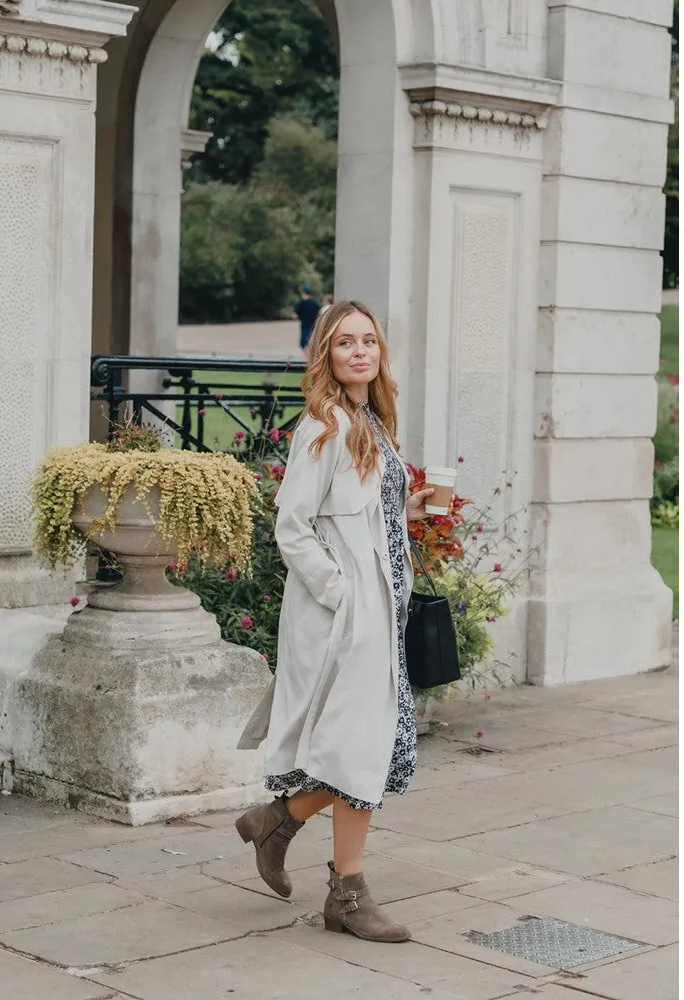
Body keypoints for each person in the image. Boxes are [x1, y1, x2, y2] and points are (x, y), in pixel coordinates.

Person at [235, 299, 435, 943]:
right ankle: (345, 892)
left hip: (381, 612)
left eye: (369, 342)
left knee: (365, 750)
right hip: (346, 618)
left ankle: (279, 823)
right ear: (326, 354)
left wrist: (411, 509)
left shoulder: (369, 423)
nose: (359, 351)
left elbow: (358, 517)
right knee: (361, 752)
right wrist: (341, 592)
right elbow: (292, 526)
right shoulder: (321, 427)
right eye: (345, 342)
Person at [294, 285, 321, 357]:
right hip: (313, 326)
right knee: (311, 343)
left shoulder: (300, 304)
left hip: (304, 326)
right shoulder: (314, 303)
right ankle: (310, 358)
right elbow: (318, 315)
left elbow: (296, 315)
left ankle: (307, 359)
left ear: (303, 292)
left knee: (304, 344)